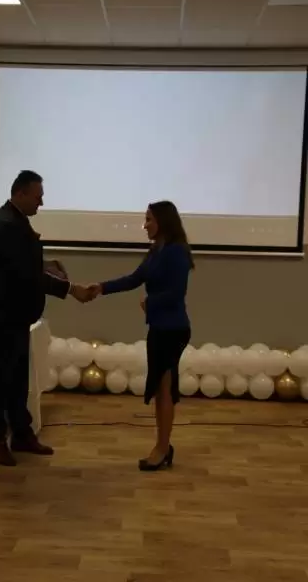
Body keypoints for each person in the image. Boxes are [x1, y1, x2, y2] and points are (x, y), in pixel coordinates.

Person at [0, 170, 89, 467]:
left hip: (15, 316)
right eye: (38, 196)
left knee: (17, 378)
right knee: (1, 380)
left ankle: (22, 434)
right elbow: (24, 274)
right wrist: (71, 289)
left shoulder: (14, 220)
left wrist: (46, 263)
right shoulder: (6, 225)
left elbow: (24, 261)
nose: (42, 202)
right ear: (21, 193)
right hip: (3, 315)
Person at [88, 201, 193, 472]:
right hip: (159, 327)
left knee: (165, 388)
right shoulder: (155, 251)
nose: (145, 225)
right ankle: (163, 445)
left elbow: (177, 293)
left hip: (173, 329)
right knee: (160, 388)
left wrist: (150, 302)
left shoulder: (176, 252)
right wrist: (101, 288)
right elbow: (134, 279)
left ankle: (162, 449)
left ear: (163, 221)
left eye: (149, 220)